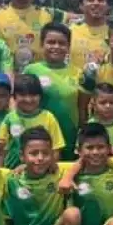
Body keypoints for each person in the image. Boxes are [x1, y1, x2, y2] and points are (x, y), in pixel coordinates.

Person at [23, 23, 81, 160]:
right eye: (51, 42)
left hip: (70, 136)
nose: (56, 47)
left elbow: (82, 106)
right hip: (40, 138)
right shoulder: (31, 70)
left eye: (62, 43)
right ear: (42, 44)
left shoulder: (78, 73)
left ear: (68, 47)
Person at [0, 74, 64, 169]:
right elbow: (1, 150)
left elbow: (56, 149)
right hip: (12, 172)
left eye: (33, 95)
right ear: (14, 97)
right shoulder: (9, 118)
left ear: (40, 96)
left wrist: (48, 168)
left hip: (41, 173)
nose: (28, 99)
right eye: (23, 95)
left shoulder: (48, 118)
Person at [68, 0, 111, 68]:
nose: (96, 3)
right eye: (90, 0)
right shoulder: (69, 32)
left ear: (107, 6)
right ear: (81, 5)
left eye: (100, 0)